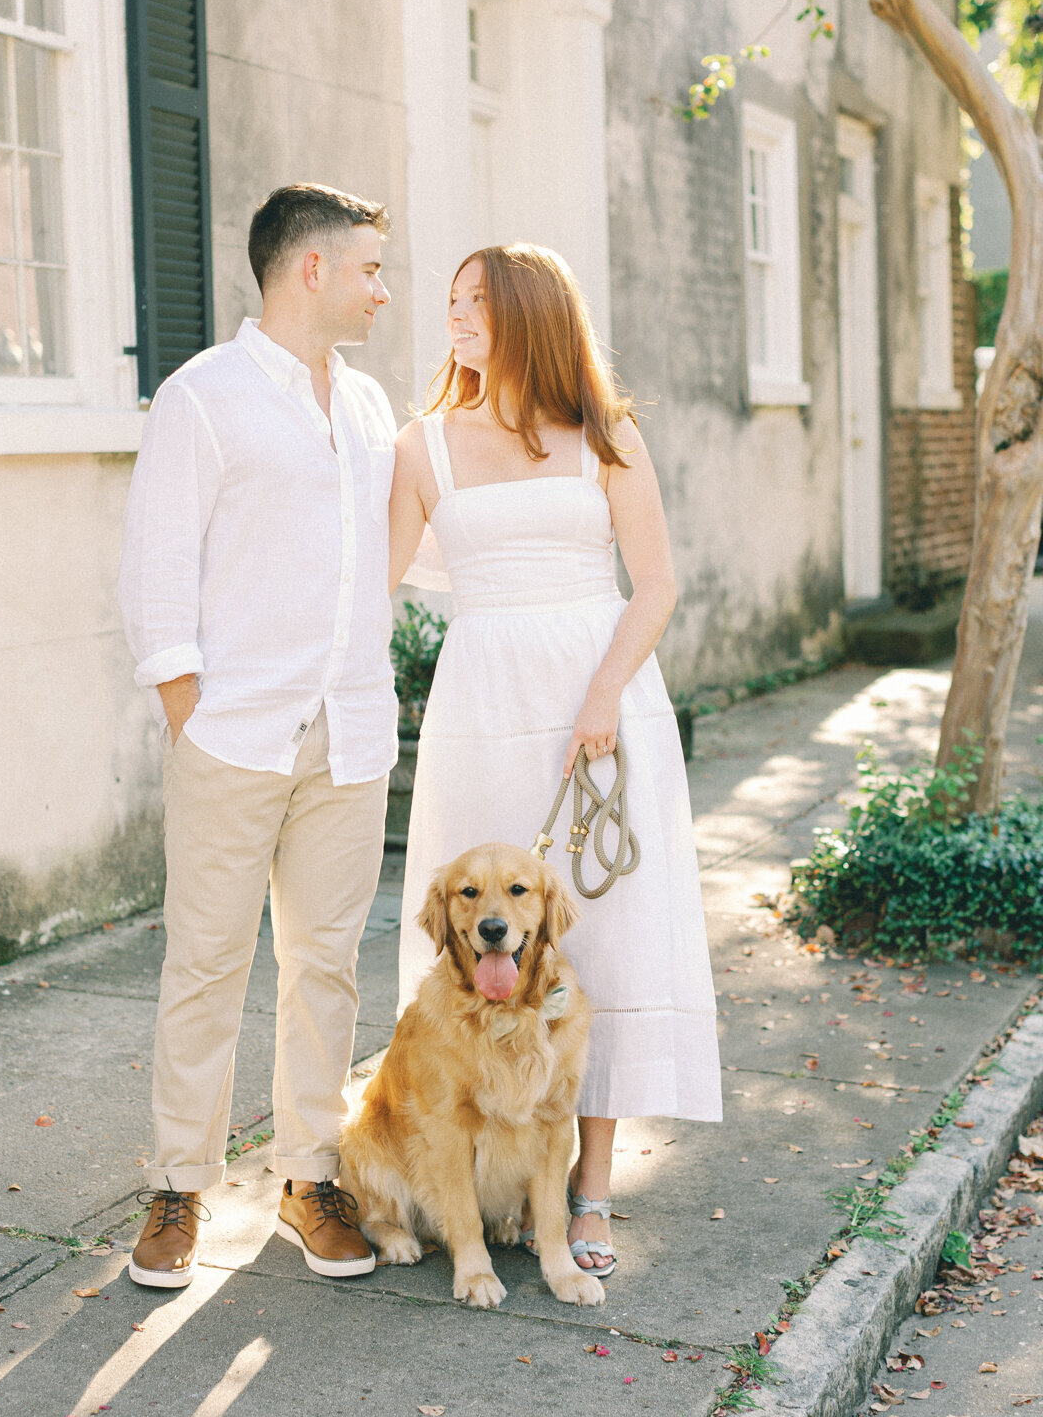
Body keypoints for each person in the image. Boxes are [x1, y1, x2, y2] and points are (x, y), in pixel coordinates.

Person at [389, 244, 721, 1278]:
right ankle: (476, 1170)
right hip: (481, 705)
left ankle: (589, 1188)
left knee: (606, 944)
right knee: (482, 946)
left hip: (603, 705)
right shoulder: (422, 448)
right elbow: (370, 586)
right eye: (451, 301)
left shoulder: (606, 435)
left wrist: (602, 698)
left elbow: (655, 583)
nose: (457, 316)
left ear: (533, 312)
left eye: (478, 301)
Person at [118, 183, 400, 1287]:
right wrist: (195, 718)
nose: (384, 289)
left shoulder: (372, 409)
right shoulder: (204, 399)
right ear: (311, 271)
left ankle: (307, 1180)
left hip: (351, 732)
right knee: (207, 965)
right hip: (234, 734)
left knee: (324, 965)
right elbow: (156, 575)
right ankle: (179, 1189)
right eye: (370, 267)